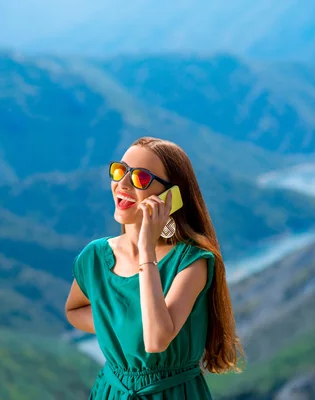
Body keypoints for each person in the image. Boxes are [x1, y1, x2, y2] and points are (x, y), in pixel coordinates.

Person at [65, 137, 244, 399]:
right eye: (119, 170)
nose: (122, 184)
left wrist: (146, 247)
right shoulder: (94, 257)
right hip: (111, 392)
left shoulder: (192, 261)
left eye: (140, 178)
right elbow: (74, 310)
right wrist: (123, 325)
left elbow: (156, 340)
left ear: (171, 196)